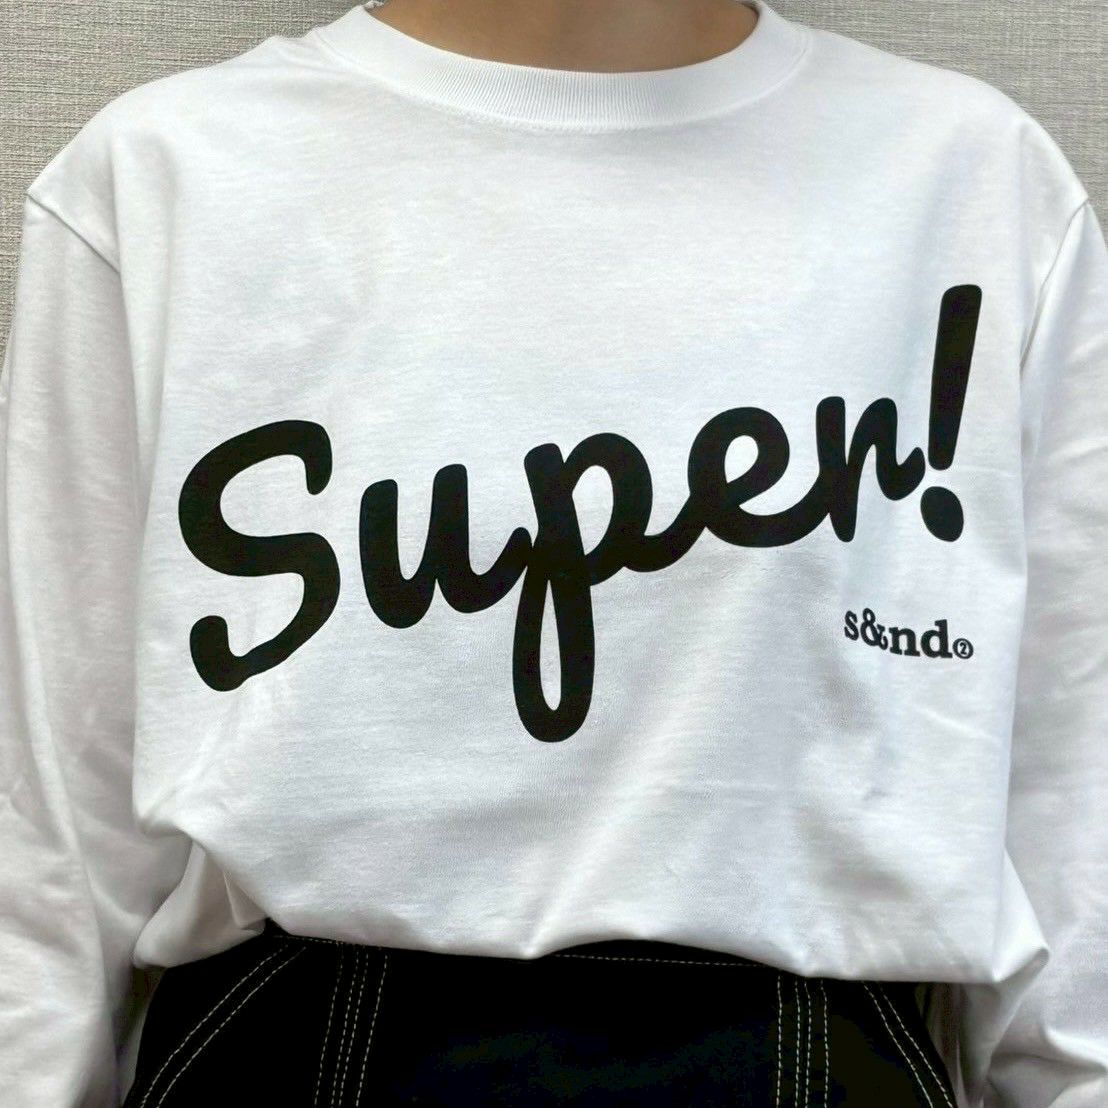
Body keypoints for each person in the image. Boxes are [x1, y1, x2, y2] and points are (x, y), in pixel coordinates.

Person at [0, 0, 1104, 1104]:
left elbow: (1070, 830)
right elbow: (50, 849)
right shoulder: (172, 174)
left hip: (819, 1051)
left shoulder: (972, 180)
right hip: (300, 1042)